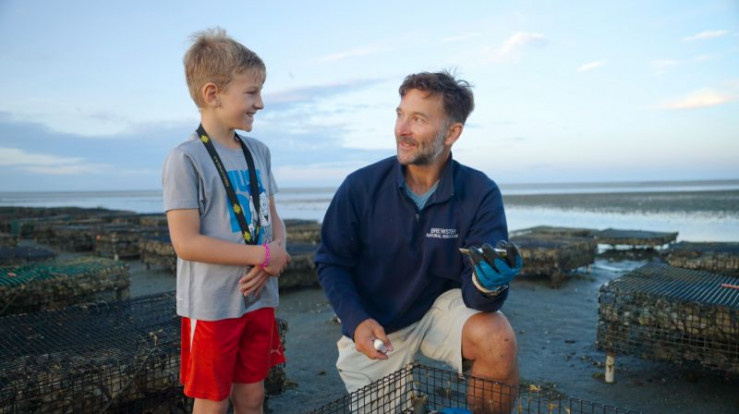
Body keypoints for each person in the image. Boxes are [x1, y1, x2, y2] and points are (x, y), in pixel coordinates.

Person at [315, 71, 522, 413]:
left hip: (439, 308)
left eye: (418, 119)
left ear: (452, 133)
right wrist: (355, 320)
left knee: (497, 337)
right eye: (400, 115)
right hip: (378, 324)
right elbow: (331, 262)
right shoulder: (360, 186)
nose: (402, 129)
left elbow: (479, 300)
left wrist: (488, 285)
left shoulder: (479, 192)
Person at [162, 27, 290, 414]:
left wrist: (274, 256)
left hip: (259, 298)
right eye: (251, 93)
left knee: (253, 395)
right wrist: (263, 255)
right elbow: (186, 243)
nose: (260, 103)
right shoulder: (186, 159)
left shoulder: (259, 152)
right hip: (213, 307)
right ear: (212, 94)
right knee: (213, 402)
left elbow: (273, 219)